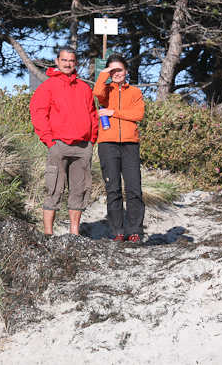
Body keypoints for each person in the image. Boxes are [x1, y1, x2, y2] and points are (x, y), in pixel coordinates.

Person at [30, 46, 99, 237]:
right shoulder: (48, 86)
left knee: (80, 190)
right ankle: (48, 235)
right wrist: (50, 142)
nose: (68, 64)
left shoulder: (84, 88)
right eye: (64, 60)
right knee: (54, 188)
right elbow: (39, 114)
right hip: (58, 145)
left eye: (71, 60)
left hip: (83, 146)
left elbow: (93, 115)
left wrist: (91, 141)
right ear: (57, 61)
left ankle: (74, 235)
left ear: (76, 63)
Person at [93, 53, 145, 243]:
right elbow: (97, 93)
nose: (116, 73)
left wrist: (112, 112)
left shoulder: (135, 92)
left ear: (126, 71)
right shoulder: (105, 90)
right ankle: (118, 232)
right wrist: (104, 73)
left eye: (120, 69)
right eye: (112, 70)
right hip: (108, 144)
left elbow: (138, 115)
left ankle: (135, 231)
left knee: (134, 188)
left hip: (130, 144)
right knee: (113, 189)